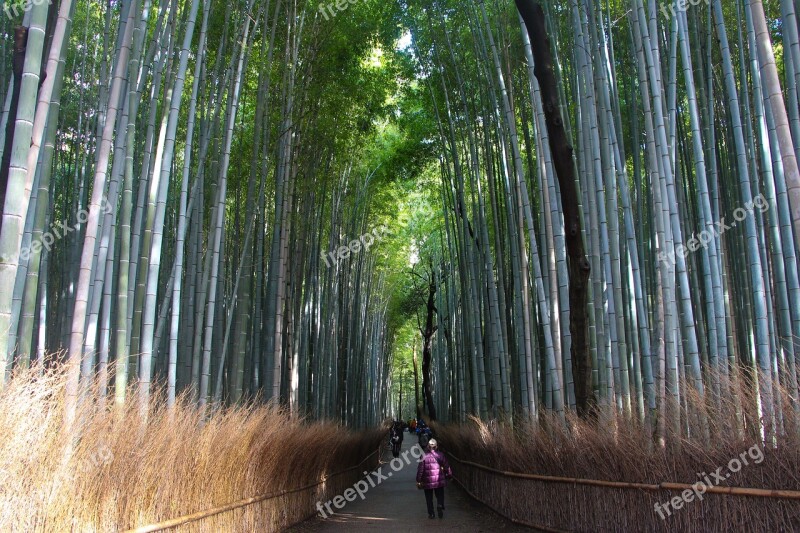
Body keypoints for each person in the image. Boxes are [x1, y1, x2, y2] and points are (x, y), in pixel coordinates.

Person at [415, 438, 452, 519]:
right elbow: (447, 467)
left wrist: (418, 480)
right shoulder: (440, 455)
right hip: (439, 480)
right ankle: (439, 504)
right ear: (436, 446)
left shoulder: (423, 456)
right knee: (440, 494)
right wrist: (449, 475)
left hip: (427, 481)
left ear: (428, 446)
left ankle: (431, 514)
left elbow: (420, 470)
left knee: (429, 498)